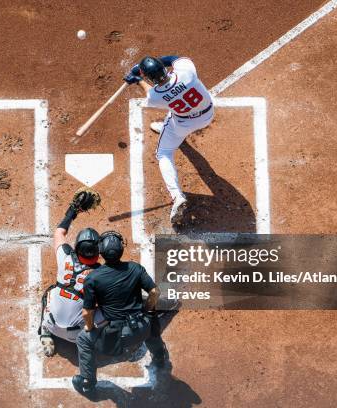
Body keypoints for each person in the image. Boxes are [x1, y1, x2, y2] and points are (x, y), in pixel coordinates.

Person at [72, 231, 168, 395]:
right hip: (142, 328)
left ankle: (88, 382)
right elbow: (154, 292)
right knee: (151, 319)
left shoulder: (93, 278)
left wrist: (90, 328)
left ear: (100, 251)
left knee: (82, 338)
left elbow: (87, 312)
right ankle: (159, 356)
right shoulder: (135, 268)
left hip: (115, 339)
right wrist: (145, 310)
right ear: (121, 250)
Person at [124, 55, 215, 224]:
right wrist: (154, 64)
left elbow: (149, 92)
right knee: (172, 115)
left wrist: (137, 79)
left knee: (164, 153)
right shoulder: (186, 72)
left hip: (183, 124)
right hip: (207, 114)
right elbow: (175, 58)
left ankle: (176, 195)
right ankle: (169, 132)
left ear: (150, 78)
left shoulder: (155, 97)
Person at [38, 194, 105, 356]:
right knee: (111, 307)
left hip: (51, 323)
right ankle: (97, 339)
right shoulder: (102, 274)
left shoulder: (65, 258)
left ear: (76, 248)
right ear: (98, 252)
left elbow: (59, 233)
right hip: (77, 335)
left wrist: (73, 211)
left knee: (50, 291)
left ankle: (44, 331)